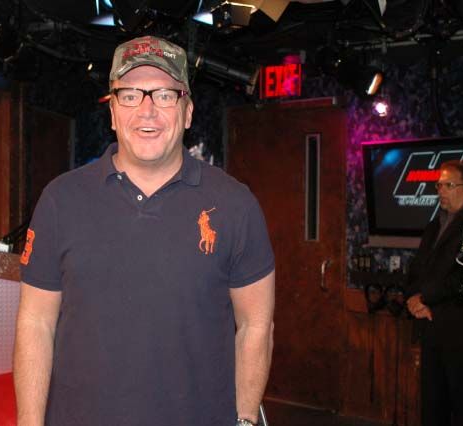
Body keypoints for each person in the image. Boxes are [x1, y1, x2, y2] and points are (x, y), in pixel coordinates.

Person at [14, 35, 275, 426]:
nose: (147, 111)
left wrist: (244, 421)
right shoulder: (60, 200)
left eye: (165, 95)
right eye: (131, 95)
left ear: (187, 112)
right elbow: (35, 323)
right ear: (113, 112)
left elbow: (256, 326)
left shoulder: (236, 205)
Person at [405, 159, 463, 426]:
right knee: (432, 406)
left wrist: (426, 298)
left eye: (448, 185)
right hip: (430, 329)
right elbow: (416, 268)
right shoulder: (434, 226)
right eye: (439, 185)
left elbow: (462, 279)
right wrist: (412, 298)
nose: (440, 190)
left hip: (459, 332)